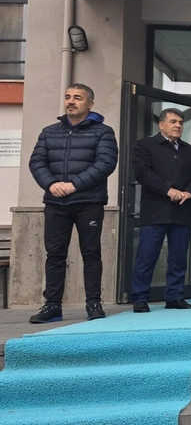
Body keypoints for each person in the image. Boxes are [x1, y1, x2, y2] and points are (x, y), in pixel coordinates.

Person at [28, 84, 118, 323]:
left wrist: (73, 185)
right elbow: (37, 162)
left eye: (78, 97)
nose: (71, 101)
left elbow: (105, 163)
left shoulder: (103, 132)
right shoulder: (49, 132)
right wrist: (51, 184)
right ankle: (52, 306)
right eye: (68, 97)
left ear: (90, 104)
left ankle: (94, 303)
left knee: (91, 253)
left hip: (89, 202)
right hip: (56, 202)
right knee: (55, 255)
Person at [130, 108, 191, 312]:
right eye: (173, 122)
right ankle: (140, 298)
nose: (178, 125)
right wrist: (168, 189)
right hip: (155, 211)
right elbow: (142, 173)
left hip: (182, 210)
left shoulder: (190, 151)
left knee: (178, 258)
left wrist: (189, 192)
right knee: (147, 257)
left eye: (180, 122)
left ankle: (174, 296)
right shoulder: (145, 145)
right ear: (161, 125)